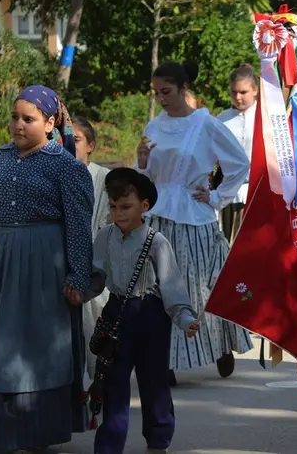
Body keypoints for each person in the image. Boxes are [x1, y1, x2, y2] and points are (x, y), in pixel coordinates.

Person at [0, 85, 93, 453]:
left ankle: (35, 431)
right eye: (15, 118)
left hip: (43, 268)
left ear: (50, 121)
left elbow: (78, 227)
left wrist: (78, 278)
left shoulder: (66, 167)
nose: (18, 126)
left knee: (37, 348)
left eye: (29, 119)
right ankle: (1, 432)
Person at [65, 167, 201, 454]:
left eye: (125, 206)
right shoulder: (104, 237)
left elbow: (171, 286)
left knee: (154, 383)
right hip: (116, 313)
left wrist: (185, 318)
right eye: (113, 207)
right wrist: (81, 293)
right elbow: (97, 278)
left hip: (151, 316)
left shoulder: (156, 242)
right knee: (112, 382)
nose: (118, 213)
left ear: (144, 206)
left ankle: (158, 440)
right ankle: (108, 446)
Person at [137, 61, 253, 379]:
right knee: (159, 289)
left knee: (200, 287)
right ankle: (167, 359)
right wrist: (143, 163)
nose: (161, 98)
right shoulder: (154, 126)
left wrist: (216, 196)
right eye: (157, 92)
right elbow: (144, 176)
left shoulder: (205, 123)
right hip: (158, 217)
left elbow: (240, 163)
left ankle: (221, 345)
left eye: (167, 91)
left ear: (183, 88)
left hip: (193, 217)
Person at [72, 115, 113, 378]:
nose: (68, 144)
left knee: (96, 329)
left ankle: (100, 385)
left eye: (75, 140)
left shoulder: (105, 179)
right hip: (64, 266)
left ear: (90, 145)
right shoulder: (53, 176)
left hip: (98, 269)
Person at [216, 64, 259, 244]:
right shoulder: (221, 119)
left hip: (258, 190)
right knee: (229, 245)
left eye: (243, 92)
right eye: (234, 92)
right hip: (229, 193)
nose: (238, 97)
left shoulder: (266, 117)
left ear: (255, 90)